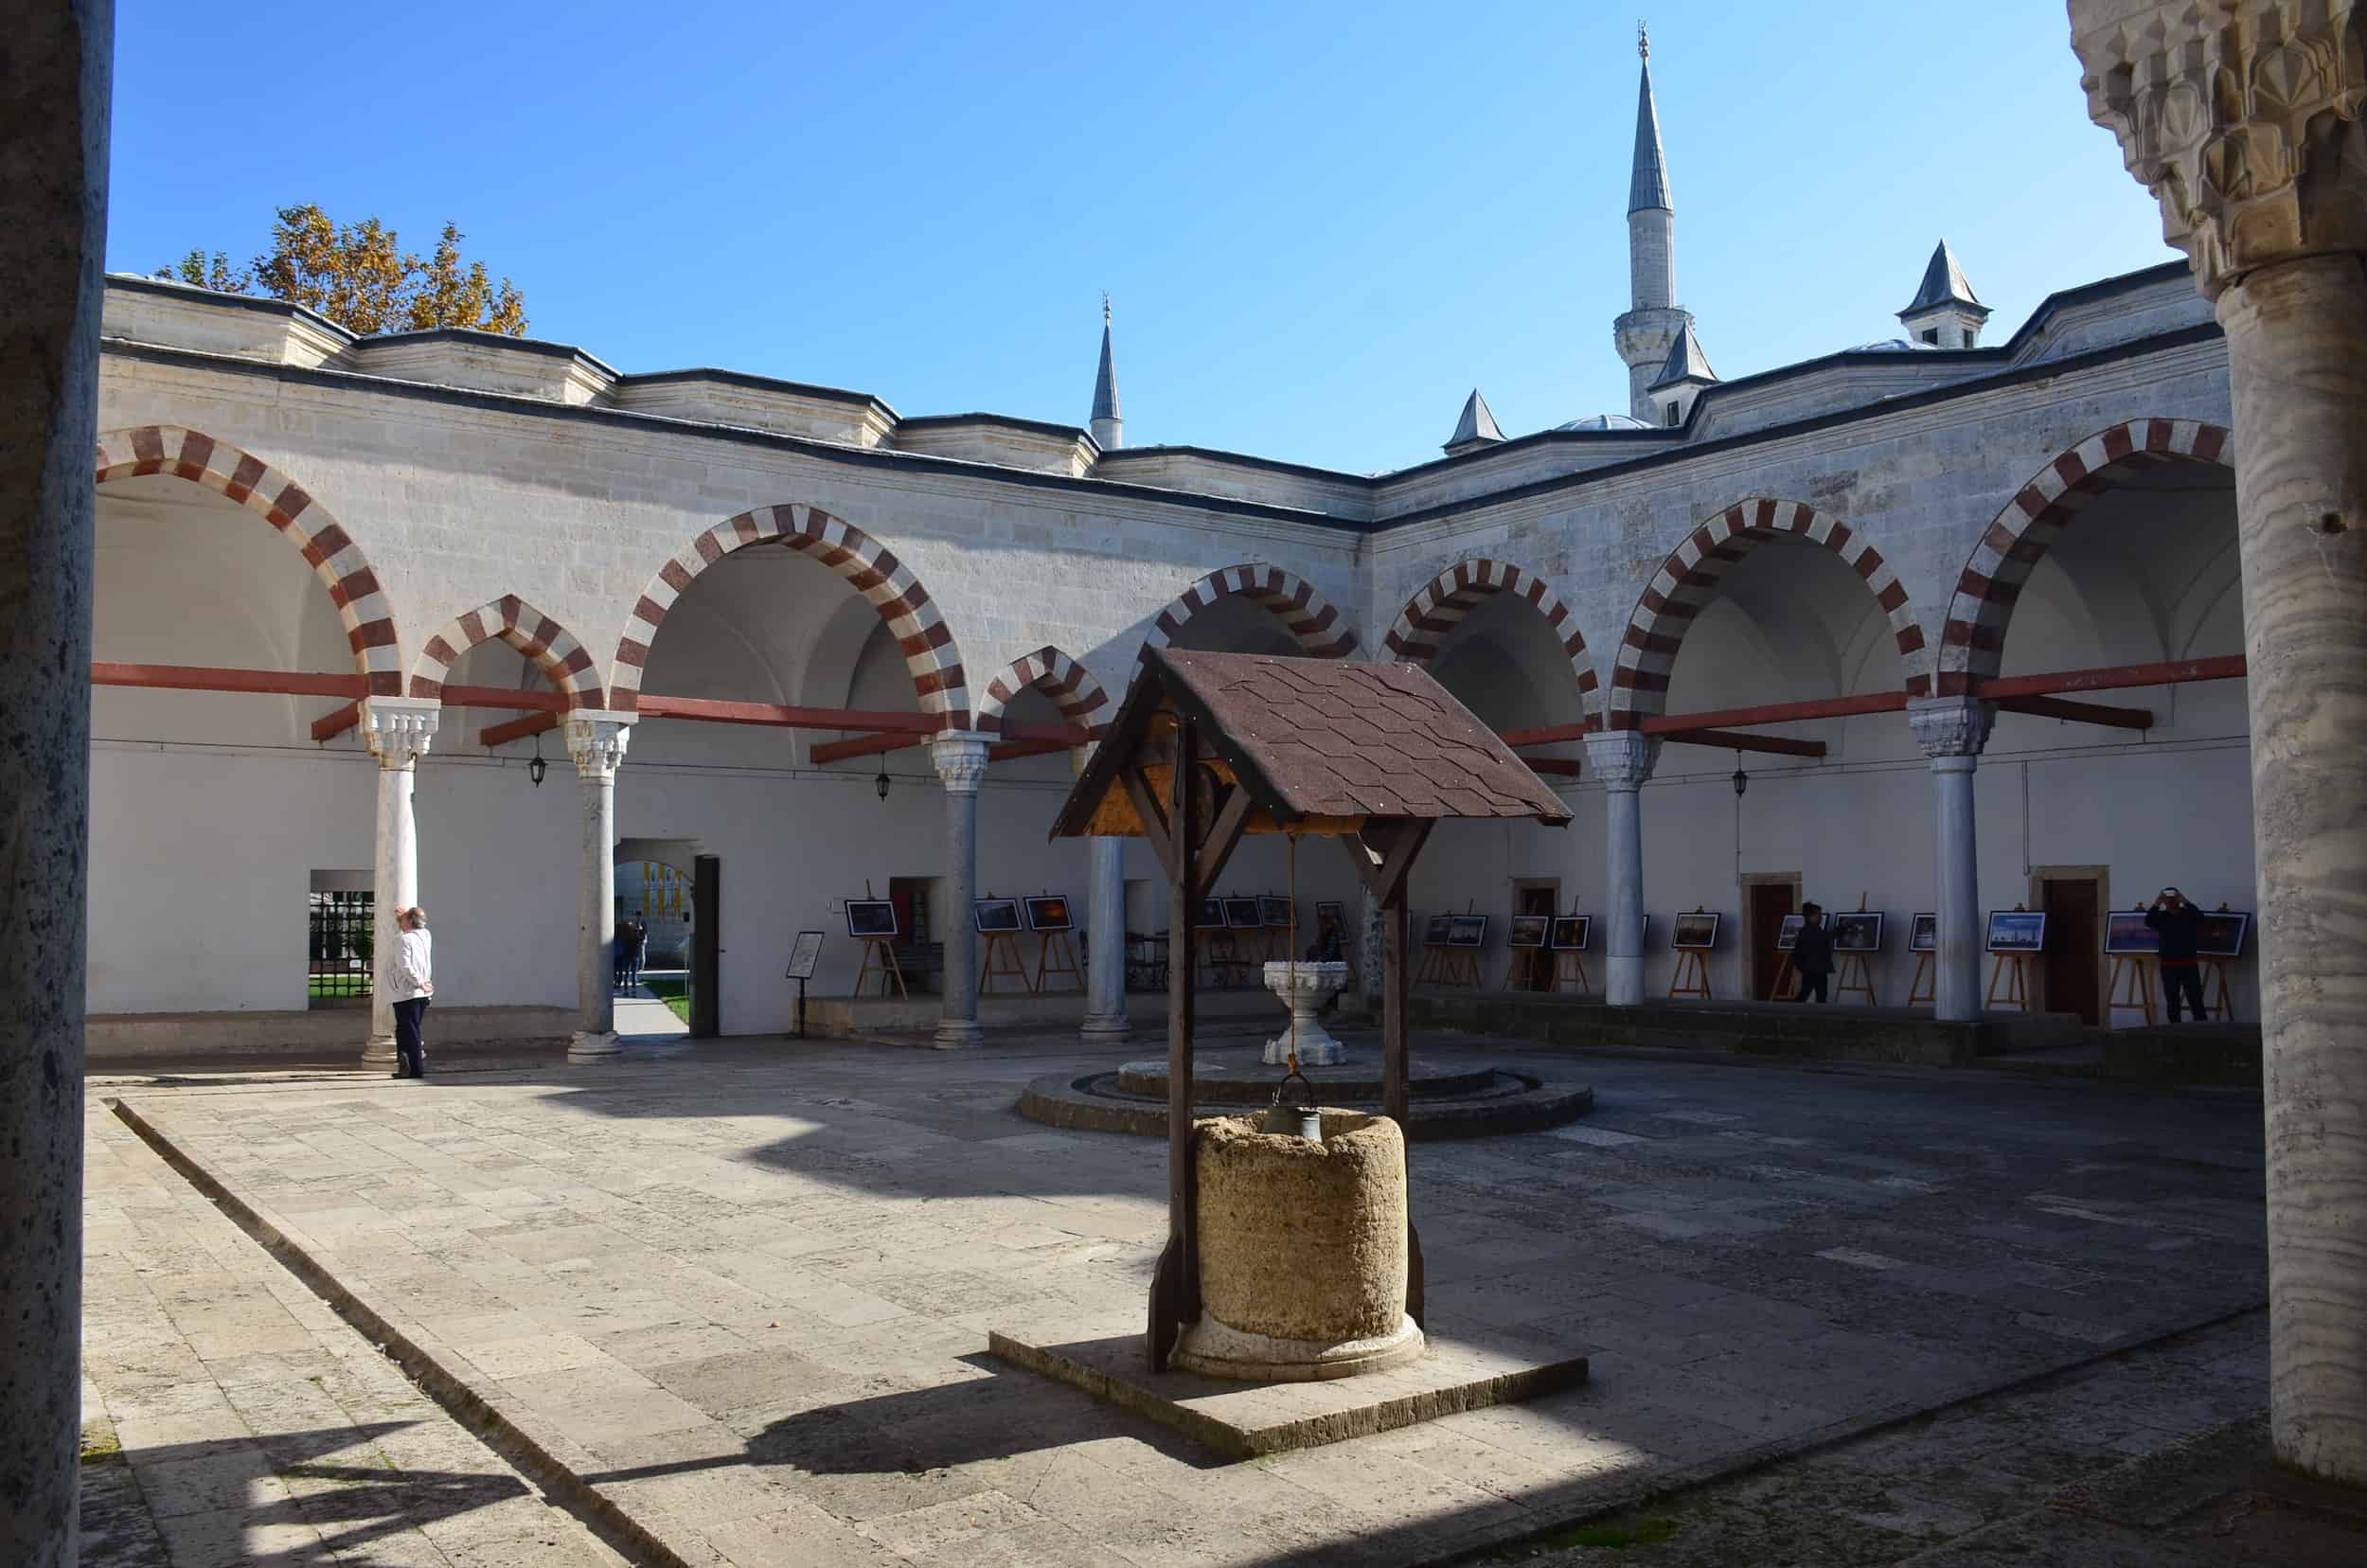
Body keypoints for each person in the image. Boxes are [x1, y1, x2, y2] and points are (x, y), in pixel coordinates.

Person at [2145, 886, 2206, 1022]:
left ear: (2178, 898)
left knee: (2196, 1002)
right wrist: (2157, 903)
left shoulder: (2188, 915)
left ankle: (2203, 1032)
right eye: (2167, 898)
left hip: (2189, 965)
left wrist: (2185, 901)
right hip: (2168, 967)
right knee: (2172, 1003)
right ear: (2163, 900)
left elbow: (2201, 918)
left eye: (2173, 898)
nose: (2170, 901)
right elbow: (2148, 921)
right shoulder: (2161, 917)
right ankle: (2174, 1032)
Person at [386, 906, 434, 1078]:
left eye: (404, 918)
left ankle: (414, 1068)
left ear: (409, 921)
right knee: (407, 1030)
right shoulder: (425, 935)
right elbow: (413, 925)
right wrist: (404, 917)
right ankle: (405, 1064)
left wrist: (419, 983)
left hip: (407, 992)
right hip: (420, 992)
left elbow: (405, 966)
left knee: (409, 1031)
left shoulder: (403, 940)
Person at [1790, 902, 1835, 1003]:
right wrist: (1844, 926)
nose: (1821, 918)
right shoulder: (1812, 930)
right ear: (1811, 916)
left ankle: (1794, 1011)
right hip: (1815, 969)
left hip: (1811, 968)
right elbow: (1828, 936)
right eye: (1819, 915)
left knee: (1809, 993)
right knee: (1816, 995)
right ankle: (1792, 1011)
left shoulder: (1806, 929)